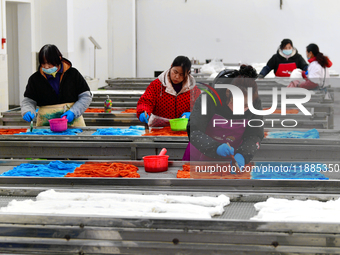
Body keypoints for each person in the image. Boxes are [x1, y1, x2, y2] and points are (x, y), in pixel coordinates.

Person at [183, 65, 264, 170]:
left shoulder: (255, 103)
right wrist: (215, 147)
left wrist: (243, 154)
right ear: (228, 94)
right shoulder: (208, 99)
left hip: (231, 160)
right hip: (199, 157)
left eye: (246, 106)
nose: (241, 110)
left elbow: (255, 134)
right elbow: (194, 130)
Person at [21, 44, 92, 127]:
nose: (46, 67)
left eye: (49, 63)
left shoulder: (73, 74)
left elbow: (86, 96)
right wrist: (27, 110)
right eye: (43, 63)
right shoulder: (35, 79)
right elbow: (29, 100)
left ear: (59, 58)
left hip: (73, 123)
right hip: (46, 125)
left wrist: (74, 112)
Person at [136, 56, 201, 123]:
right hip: (159, 129)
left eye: (181, 74)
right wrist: (143, 111)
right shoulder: (157, 85)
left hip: (183, 130)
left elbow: (202, 108)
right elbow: (146, 101)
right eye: (175, 72)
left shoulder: (193, 90)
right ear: (171, 66)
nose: (177, 77)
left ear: (188, 73)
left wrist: (193, 115)